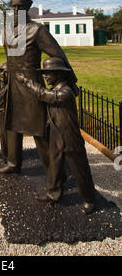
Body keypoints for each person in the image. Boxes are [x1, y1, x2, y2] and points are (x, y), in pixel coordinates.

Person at [0, 0, 79, 175]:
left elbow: (58, 55)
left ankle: (54, 174)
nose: (16, 10)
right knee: (11, 125)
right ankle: (13, 163)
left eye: (21, 7)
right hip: (12, 85)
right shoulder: (7, 30)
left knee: (39, 130)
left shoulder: (37, 30)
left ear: (27, 9)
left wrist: (70, 80)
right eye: (14, 7)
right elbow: (9, 57)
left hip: (31, 85)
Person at [16, 57, 96, 214]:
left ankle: (89, 199)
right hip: (56, 134)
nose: (45, 77)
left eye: (48, 74)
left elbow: (43, 94)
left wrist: (27, 81)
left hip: (69, 137)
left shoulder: (64, 92)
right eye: (44, 74)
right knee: (54, 165)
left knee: (80, 170)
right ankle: (54, 192)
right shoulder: (56, 89)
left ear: (59, 74)